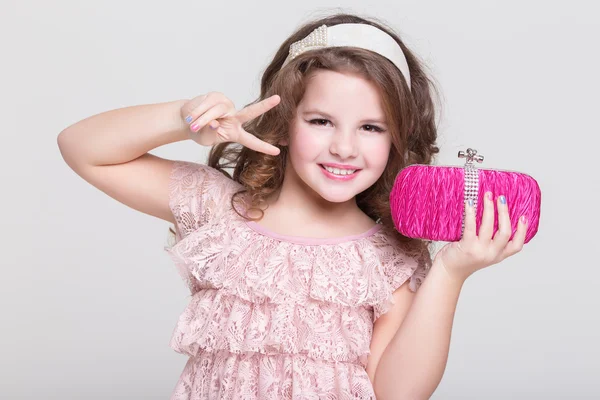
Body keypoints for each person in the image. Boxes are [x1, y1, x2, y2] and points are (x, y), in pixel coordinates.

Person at [57, 12, 528, 400]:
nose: (344, 147)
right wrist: (186, 120)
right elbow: (83, 149)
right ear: (284, 122)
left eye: (371, 127)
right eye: (322, 120)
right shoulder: (218, 211)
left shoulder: (391, 257)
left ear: (396, 140)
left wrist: (449, 273)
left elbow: (397, 394)